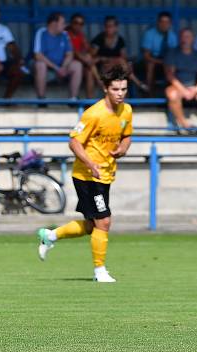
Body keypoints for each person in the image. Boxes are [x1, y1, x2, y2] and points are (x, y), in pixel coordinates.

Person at [37, 65, 132, 283]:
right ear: (106, 89)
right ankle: (100, 271)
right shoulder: (93, 114)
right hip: (87, 176)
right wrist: (90, 163)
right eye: (116, 89)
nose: (120, 93)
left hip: (105, 175)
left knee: (92, 226)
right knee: (104, 221)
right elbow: (74, 142)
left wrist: (123, 148)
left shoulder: (126, 111)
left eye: (124, 89)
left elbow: (127, 135)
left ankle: (50, 235)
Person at [90, 16, 149, 93]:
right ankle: (139, 84)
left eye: (111, 26)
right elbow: (92, 56)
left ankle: (138, 86)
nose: (109, 28)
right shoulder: (99, 39)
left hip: (117, 68)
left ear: (116, 27)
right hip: (102, 67)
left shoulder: (120, 40)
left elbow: (123, 56)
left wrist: (128, 61)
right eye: (107, 26)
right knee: (122, 64)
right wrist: (103, 58)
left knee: (124, 64)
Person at [33, 12, 82, 100]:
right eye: (62, 23)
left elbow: (70, 54)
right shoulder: (41, 33)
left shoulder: (64, 34)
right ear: (53, 23)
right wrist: (57, 68)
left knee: (77, 65)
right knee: (40, 64)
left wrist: (63, 67)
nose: (65, 25)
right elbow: (38, 55)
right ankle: (41, 99)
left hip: (61, 68)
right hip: (48, 68)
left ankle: (73, 98)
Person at [164, 29, 197, 129]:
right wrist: (184, 91)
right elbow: (170, 76)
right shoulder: (173, 53)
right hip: (177, 86)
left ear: (192, 39)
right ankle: (184, 124)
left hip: (194, 87)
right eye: (182, 36)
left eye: (187, 36)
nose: (184, 39)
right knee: (172, 95)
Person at [140, 12, 176, 94]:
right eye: (162, 22)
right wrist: (162, 62)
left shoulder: (172, 36)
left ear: (170, 24)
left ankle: (170, 91)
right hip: (150, 61)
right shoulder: (149, 34)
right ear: (158, 22)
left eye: (167, 22)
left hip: (166, 61)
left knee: (173, 66)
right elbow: (146, 56)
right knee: (150, 64)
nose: (164, 24)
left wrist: (167, 62)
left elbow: (174, 54)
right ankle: (149, 92)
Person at [66, 13, 98, 98]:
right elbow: (73, 51)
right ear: (71, 23)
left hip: (80, 63)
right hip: (67, 64)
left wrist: (91, 51)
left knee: (89, 71)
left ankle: (90, 102)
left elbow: (88, 48)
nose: (78, 26)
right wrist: (85, 58)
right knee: (88, 63)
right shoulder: (65, 34)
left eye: (81, 24)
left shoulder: (81, 35)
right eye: (76, 23)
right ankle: (100, 82)